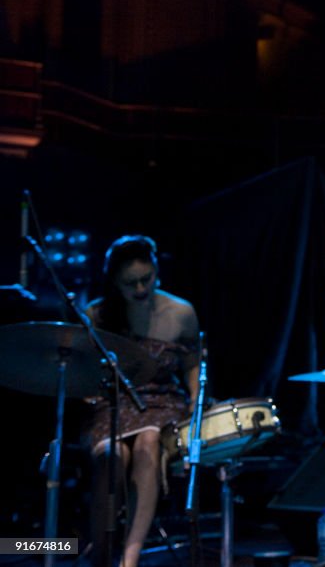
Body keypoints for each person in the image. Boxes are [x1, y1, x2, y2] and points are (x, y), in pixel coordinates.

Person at [84, 235, 199, 567]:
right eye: (129, 283)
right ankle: (101, 552)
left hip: (162, 402)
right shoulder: (98, 314)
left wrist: (195, 400)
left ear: (157, 271)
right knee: (112, 455)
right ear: (114, 282)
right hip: (113, 404)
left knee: (149, 442)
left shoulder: (181, 312)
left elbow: (193, 363)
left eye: (145, 279)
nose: (139, 289)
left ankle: (129, 560)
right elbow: (85, 371)